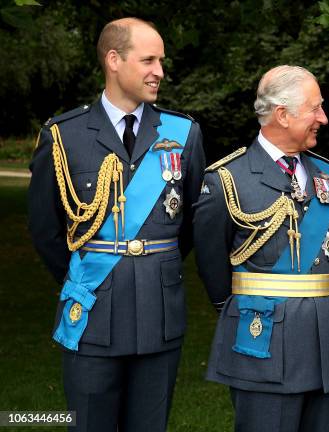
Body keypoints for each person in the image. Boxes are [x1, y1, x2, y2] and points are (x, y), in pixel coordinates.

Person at [28, 17, 205, 432]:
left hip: (160, 317)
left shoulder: (184, 132)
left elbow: (192, 223)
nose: (159, 71)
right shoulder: (64, 135)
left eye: (161, 61)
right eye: (148, 60)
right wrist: (88, 278)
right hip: (92, 314)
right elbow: (45, 229)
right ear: (113, 60)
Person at [193, 65, 329, 432]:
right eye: (315, 109)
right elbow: (211, 264)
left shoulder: (327, 173)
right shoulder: (226, 179)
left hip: (325, 335)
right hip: (262, 337)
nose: (323, 119)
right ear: (282, 114)